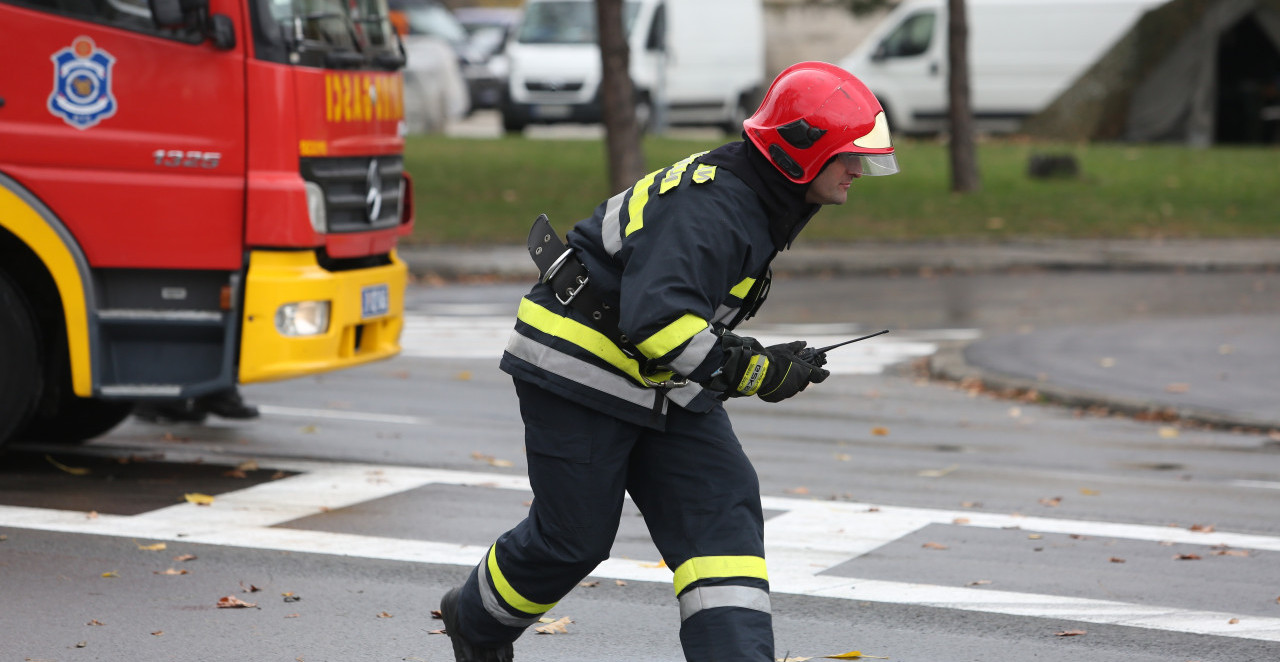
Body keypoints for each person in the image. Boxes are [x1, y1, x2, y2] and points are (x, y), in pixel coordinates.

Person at [438, 61, 899, 662]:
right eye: (848, 156)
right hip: (581, 369)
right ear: (802, 153)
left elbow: (675, 319)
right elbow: (657, 321)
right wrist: (753, 370)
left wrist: (753, 361)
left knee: (721, 512)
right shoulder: (716, 206)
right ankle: (474, 621)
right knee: (572, 541)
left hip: (661, 379)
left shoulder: (757, 198)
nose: (858, 170)